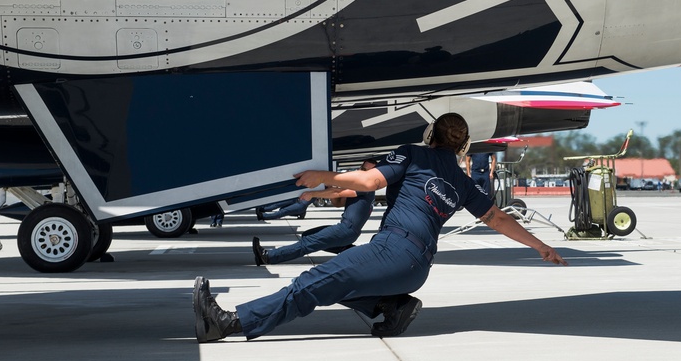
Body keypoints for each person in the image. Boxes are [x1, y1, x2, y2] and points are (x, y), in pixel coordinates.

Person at [193, 112, 567, 343]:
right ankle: (392, 305)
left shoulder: (413, 153)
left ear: (430, 135)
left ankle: (227, 323)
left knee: (311, 283)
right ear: (463, 146)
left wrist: (323, 177)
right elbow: (498, 218)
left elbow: (371, 183)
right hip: (417, 268)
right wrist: (540, 248)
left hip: (392, 250)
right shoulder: (463, 181)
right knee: (334, 283)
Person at [251, 157, 380, 265]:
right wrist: (330, 186)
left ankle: (268, 256)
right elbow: (338, 203)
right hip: (346, 230)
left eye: (369, 172)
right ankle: (354, 253)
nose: (364, 173)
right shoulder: (359, 187)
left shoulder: (366, 187)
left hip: (347, 229)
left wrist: (313, 194)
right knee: (308, 235)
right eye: (364, 169)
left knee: (308, 243)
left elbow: (336, 192)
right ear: (360, 169)